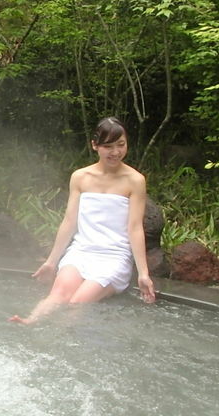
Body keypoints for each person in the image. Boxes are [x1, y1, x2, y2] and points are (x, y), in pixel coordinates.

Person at [13, 117, 156, 322]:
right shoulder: (80, 177)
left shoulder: (135, 180)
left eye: (121, 145)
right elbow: (69, 221)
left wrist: (143, 273)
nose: (115, 152)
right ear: (95, 145)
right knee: (58, 294)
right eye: (108, 146)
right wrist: (51, 261)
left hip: (114, 257)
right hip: (81, 251)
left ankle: (59, 345)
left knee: (78, 302)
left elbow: (135, 228)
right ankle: (30, 322)